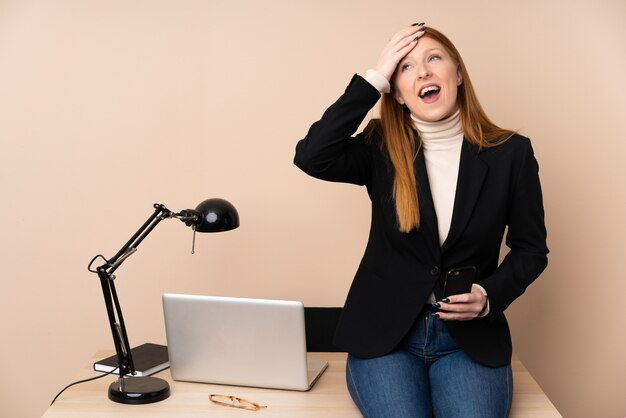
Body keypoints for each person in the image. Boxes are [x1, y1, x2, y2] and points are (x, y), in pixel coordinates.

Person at [294, 23, 548, 418]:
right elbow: (312, 156)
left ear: (458, 74)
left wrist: (488, 296)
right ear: (396, 92)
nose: (424, 72)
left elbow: (531, 250)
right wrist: (374, 78)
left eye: (434, 58)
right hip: (386, 337)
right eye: (406, 67)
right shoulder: (379, 146)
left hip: (469, 341)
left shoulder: (511, 153)